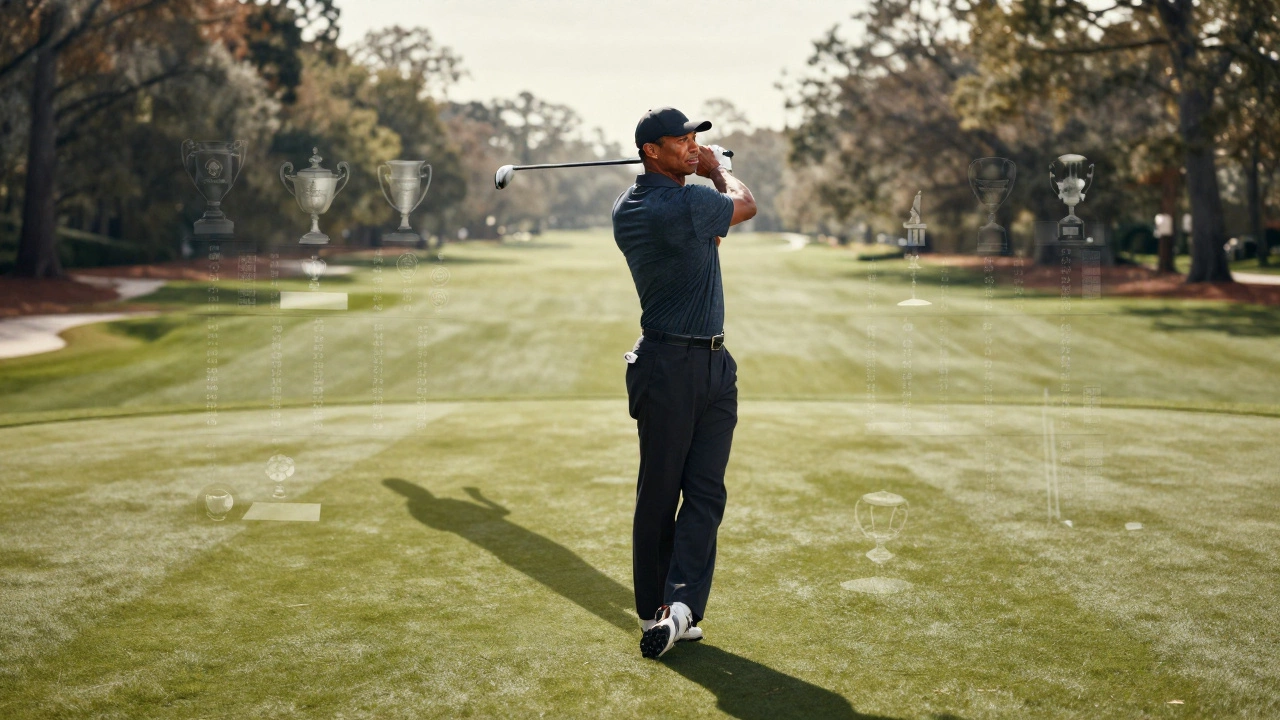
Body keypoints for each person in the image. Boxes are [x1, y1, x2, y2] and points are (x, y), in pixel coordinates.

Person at [611, 107, 757, 659]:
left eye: (698, 138)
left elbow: (707, 244)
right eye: (682, 140)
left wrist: (697, 173)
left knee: (704, 492)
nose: (694, 145)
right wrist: (719, 169)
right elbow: (746, 204)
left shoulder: (631, 205)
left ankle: (680, 608)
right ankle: (654, 609)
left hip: (715, 365)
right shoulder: (683, 202)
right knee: (661, 491)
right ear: (651, 150)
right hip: (670, 365)